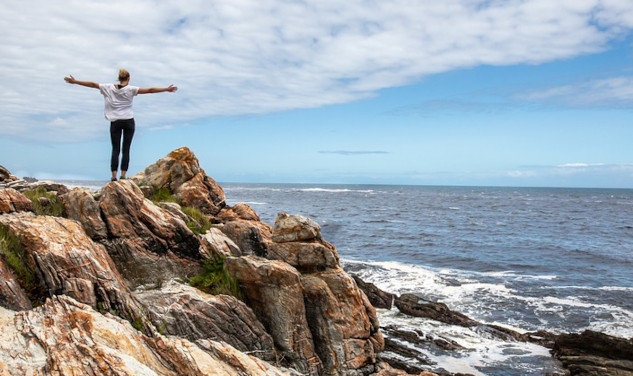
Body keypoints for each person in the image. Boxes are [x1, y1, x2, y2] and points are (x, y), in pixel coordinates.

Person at [64, 69, 178, 181]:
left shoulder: (108, 87)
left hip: (115, 122)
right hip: (128, 121)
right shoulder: (131, 89)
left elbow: (93, 84)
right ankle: (123, 176)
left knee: (115, 149)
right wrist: (166, 89)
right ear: (128, 78)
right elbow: (150, 90)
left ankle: (114, 176)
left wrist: (75, 81)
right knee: (126, 149)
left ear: (119, 78)